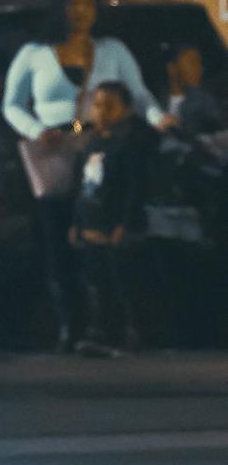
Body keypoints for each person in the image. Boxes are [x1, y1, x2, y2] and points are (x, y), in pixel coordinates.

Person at [2, 0, 157, 354]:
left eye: (89, 3)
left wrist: (158, 118)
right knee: (58, 239)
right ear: (60, 9)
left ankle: (104, 325)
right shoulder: (34, 53)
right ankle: (68, 324)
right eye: (73, 4)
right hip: (55, 151)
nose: (81, 11)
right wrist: (37, 131)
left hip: (101, 149)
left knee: (100, 238)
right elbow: (12, 105)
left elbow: (137, 93)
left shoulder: (111, 50)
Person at [69, 79, 155, 355]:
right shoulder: (93, 144)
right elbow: (82, 186)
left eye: (110, 106)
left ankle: (133, 332)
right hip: (92, 223)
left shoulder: (129, 144)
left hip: (114, 224)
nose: (101, 112)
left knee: (123, 280)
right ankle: (100, 331)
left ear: (125, 109)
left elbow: (133, 187)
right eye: (97, 105)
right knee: (96, 280)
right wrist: (77, 222)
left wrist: (125, 223)